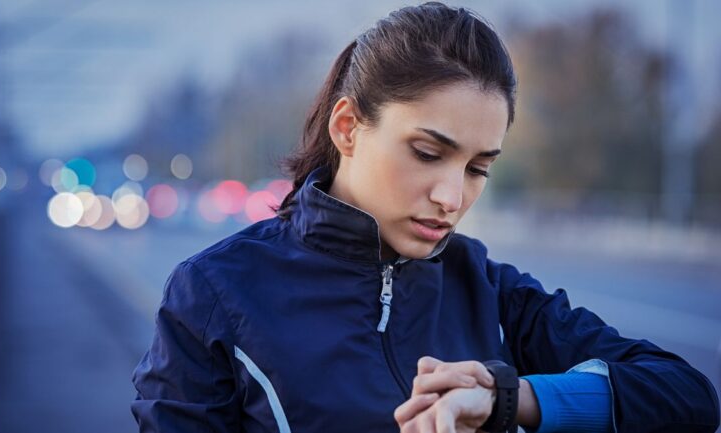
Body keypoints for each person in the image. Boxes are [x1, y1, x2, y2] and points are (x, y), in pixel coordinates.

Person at [130, 3, 720, 432]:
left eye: (478, 168)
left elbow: (687, 397)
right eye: (428, 153)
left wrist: (507, 397)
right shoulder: (215, 292)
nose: (452, 197)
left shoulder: (487, 288)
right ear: (348, 127)